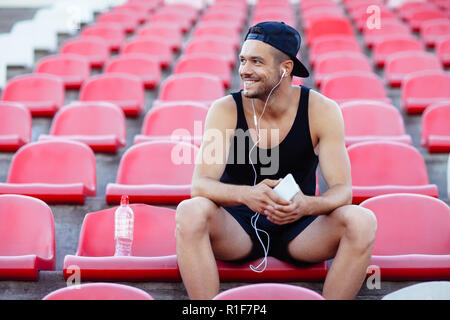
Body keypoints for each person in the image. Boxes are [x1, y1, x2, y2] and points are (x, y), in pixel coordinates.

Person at [175, 21, 377, 300]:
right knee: (190, 210)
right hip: (238, 227)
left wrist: (308, 205)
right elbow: (200, 186)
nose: (244, 70)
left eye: (256, 62)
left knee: (363, 220)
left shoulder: (322, 110)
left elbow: (343, 190)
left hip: (299, 226)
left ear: (286, 68)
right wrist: (248, 195)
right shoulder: (225, 110)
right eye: (243, 60)